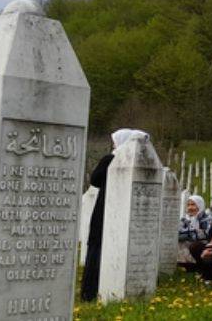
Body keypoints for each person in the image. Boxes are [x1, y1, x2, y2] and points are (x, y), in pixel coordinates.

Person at [80, 128, 133, 301]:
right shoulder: (132, 160)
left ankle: (91, 289)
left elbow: (95, 180)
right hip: (124, 209)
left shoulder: (111, 159)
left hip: (105, 207)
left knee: (97, 246)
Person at [178, 195, 212, 265]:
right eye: (188, 205)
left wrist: (190, 234)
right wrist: (193, 233)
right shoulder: (185, 219)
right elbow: (178, 232)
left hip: (202, 246)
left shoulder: (207, 218)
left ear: (200, 205)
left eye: (193, 205)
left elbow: (206, 233)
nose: (190, 208)